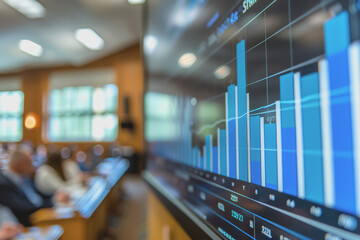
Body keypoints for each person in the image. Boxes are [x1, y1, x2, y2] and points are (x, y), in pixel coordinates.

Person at [0, 148, 69, 227]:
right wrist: (53, 201)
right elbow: (22, 209)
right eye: (29, 163)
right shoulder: (3, 184)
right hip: (26, 224)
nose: (33, 166)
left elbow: (39, 196)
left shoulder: (25, 178)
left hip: (39, 217)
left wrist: (54, 197)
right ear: (19, 164)